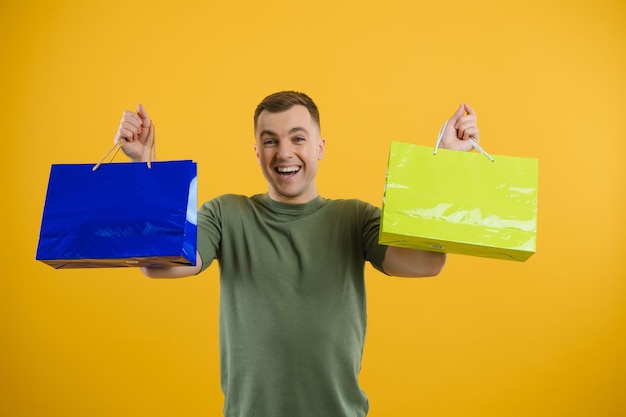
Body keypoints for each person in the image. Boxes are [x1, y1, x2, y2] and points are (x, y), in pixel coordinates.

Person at [113, 91, 480, 417]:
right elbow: (159, 264)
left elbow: (426, 262)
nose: (284, 152)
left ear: (320, 147)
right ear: (257, 153)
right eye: (270, 141)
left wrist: (444, 165)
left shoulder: (355, 218)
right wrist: (142, 168)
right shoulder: (227, 214)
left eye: (298, 138)